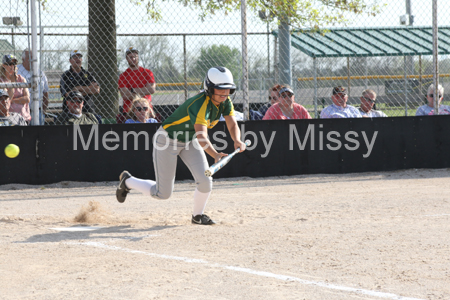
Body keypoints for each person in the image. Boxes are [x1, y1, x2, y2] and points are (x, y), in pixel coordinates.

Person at [116, 66, 246, 225]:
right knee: (163, 193)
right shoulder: (200, 104)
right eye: (220, 90)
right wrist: (215, 155)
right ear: (209, 89)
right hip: (167, 140)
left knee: (205, 182)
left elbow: (232, 125)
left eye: (228, 90)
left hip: (189, 140)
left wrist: (237, 140)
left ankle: (197, 216)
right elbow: (202, 136)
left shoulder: (225, 102)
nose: (225, 94)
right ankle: (128, 181)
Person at [118, 47, 156, 122]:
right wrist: (144, 91)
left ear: (138, 57)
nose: (133, 59)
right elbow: (125, 95)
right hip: (129, 112)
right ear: (126, 58)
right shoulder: (123, 76)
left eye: (135, 56)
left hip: (146, 110)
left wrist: (133, 90)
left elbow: (151, 89)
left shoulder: (147, 72)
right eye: (130, 57)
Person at [17, 49, 49, 123]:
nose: (32, 60)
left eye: (34, 57)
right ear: (23, 59)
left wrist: (43, 111)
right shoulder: (17, 71)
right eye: (29, 57)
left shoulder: (40, 73)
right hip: (21, 111)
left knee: (39, 133)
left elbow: (46, 93)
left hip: (38, 111)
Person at [0, 54, 31, 124]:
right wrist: (13, 83)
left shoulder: (21, 79)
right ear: (4, 65)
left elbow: (27, 99)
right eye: (10, 64)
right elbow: (6, 100)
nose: (12, 66)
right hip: (9, 119)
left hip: (23, 117)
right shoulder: (1, 81)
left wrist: (12, 101)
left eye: (14, 64)